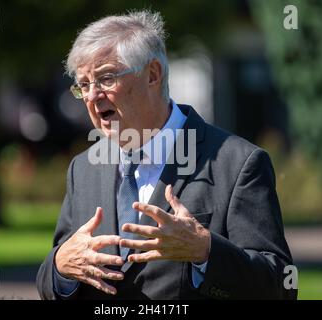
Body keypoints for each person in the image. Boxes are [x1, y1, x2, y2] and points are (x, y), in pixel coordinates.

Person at [36, 10, 296, 300]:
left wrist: (205, 251)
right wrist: (60, 267)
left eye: (106, 78)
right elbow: (53, 279)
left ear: (153, 74)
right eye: (83, 85)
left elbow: (280, 286)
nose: (92, 96)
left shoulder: (238, 164)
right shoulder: (83, 169)